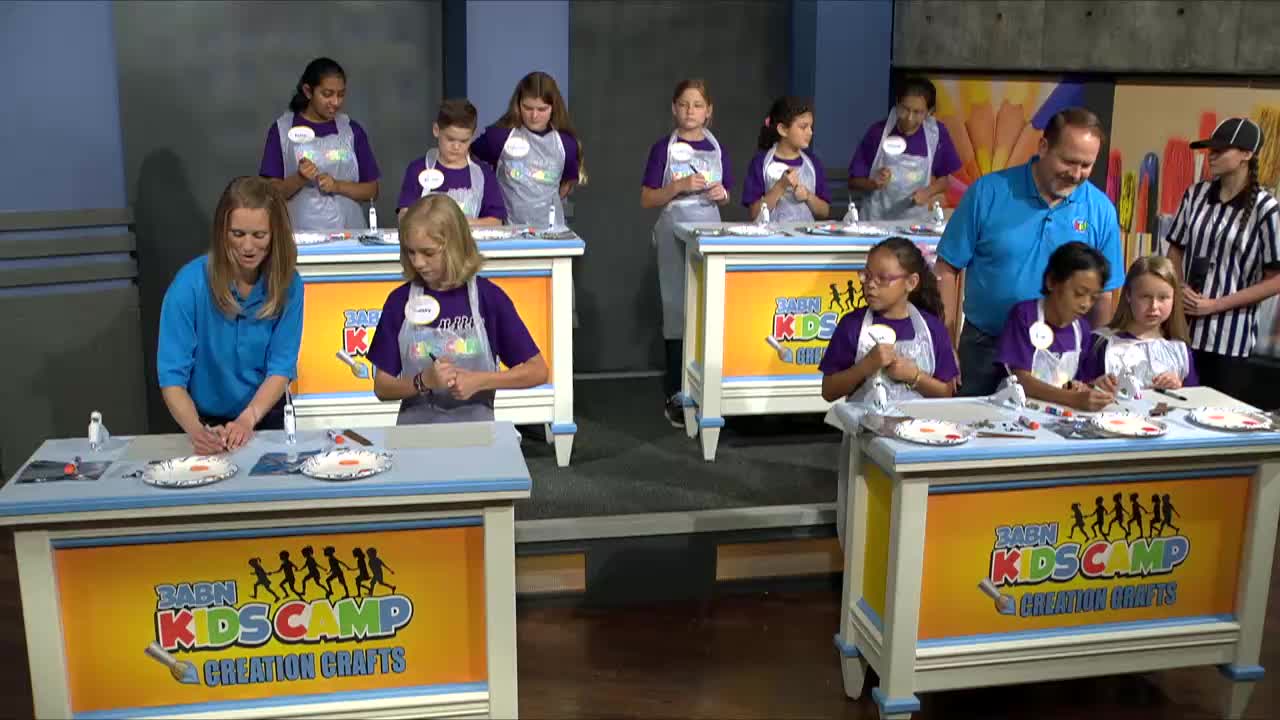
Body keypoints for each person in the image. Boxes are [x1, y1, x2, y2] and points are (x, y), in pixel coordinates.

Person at [936, 107, 1124, 397]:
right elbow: (947, 269)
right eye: (1068, 161)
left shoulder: (1100, 210)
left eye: (1086, 166)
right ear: (1043, 146)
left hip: (1062, 352)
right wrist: (947, 344)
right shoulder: (989, 192)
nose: (1076, 174)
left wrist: (1096, 361)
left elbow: (1105, 294)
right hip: (985, 346)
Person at [366, 195, 549, 423]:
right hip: (414, 436)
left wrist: (480, 381)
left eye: (428, 253)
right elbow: (382, 387)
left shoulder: (488, 298)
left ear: (455, 246)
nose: (418, 262)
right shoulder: (398, 301)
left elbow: (537, 371)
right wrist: (422, 382)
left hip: (477, 435)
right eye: (411, 252)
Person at [157, 176, 304, 454]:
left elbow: (281, 368)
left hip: (263, 418)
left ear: (275, 235)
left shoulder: (289, 284)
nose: (248, 247)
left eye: (259, 236)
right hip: (200, 420)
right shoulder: (188, 285)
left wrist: (247, 420)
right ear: (222, 232)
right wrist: (197, 431)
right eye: (238, 234)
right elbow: (172, 378)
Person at [1166, 117, 1280, 405]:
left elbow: (1276, 279)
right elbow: (1175, 250)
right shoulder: (1195, 195)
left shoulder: (1266, 210)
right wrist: (1178, 288)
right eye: (1210, 149)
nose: (1211, 155)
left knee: (1217, 416)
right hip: (1183, 332)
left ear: (1246, 154)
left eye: (1221, 150)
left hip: (1231, 340)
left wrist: (1215, 304)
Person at [640, 79, 733, 427]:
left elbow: (728, 191)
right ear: (674, 109)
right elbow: (647, 198)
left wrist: (721, 195)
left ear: (708, 111)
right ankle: (676, 394)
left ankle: (709, 388)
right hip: (673, 232)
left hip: (709, 232)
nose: (690, 111)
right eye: (683, 104)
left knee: (709, 310)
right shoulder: (661, 149)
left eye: (697, 105)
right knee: (677, 308)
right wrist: (679, 186)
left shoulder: (717, 148)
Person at [820, 237, 958, 403]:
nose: (871, 284)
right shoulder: (852, 325)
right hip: (865, 428)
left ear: (911, 282)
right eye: (867, 276)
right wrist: (865, 367)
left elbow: (946, 393)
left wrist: (915, 376)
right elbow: (828, 391)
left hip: (919, 427)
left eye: (883, 278)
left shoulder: (932, 328)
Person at [259, 57, 380, 231]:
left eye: (341, 94)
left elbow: (372, 190)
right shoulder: (282, 131)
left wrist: (337, 186)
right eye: (327, 94)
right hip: (299, 240)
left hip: (350, 237)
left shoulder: (352, 131)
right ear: (308, 91)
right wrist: (298, 179)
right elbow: (269, 194)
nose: (336, 102)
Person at [995, 242, 1114, 412]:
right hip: (1016, 412)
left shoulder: (1081, 331)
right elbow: (1021, 379)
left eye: (1093, 298)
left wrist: (1095, 386)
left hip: (1060, 415)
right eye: (1079, 294)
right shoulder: (1025, 316)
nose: (1086, 304)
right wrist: (1072, 398)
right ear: (1051, 282)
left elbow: (1078, 383)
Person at [471, 71, 585, 226]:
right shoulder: (498, 137)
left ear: (553, 107)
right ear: (518, 104)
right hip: (508, 231)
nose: (534, 116)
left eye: (542, 109)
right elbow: (468, 160)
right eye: (528, 108)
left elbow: (567, 183)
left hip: (550, 234)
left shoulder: (567, 144)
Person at [847, 77, 962, 222]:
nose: (909, 118)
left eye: (918, 112)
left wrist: (927, 192)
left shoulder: (936, 135)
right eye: (905, 109)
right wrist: (873, 183)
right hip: (875, 222)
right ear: (896, 103)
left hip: (916, 225)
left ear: (929, 112)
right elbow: (853, 181)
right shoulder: (878, 133)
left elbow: (945, 180)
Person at [1080, 256, 1198, 391]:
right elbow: (1078, 388)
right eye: (1145, 297)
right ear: (1129, 295)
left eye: (1163, 297)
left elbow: (1193, 399)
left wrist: (1178, 385)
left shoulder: (1179, 350)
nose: (1154, 306)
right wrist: (1095, 385)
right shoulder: (1101, 343)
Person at [396, 98, 506, 225]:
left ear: (473, 136)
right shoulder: (418, 169)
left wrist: (462, 225)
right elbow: (404, 217)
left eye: (463, 141)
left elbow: (496, 221)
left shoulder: (483, 174)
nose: (456, 147)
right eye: (450, 139)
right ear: (436, 130)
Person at [742, 96, 830, 222]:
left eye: (811, 127)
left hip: (805, 240)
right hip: (772, 240)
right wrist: (780, 186)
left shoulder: (813, 163)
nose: (810, 132)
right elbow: (754, 214)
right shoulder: (760, 163)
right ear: (783, 130)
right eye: (803, 127)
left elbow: (825, 211)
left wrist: (808, 196)